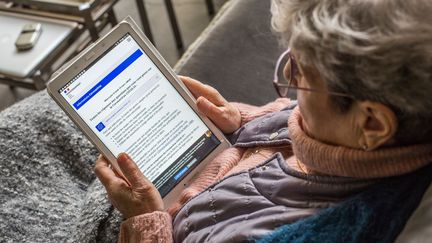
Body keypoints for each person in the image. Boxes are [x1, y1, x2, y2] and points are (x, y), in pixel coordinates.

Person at [94, 0, 432, 242]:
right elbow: (288, 112)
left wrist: (144, 223)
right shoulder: (354, 134)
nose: (287, 73)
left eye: (302, 73)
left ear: (372, 124)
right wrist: (240, 119)